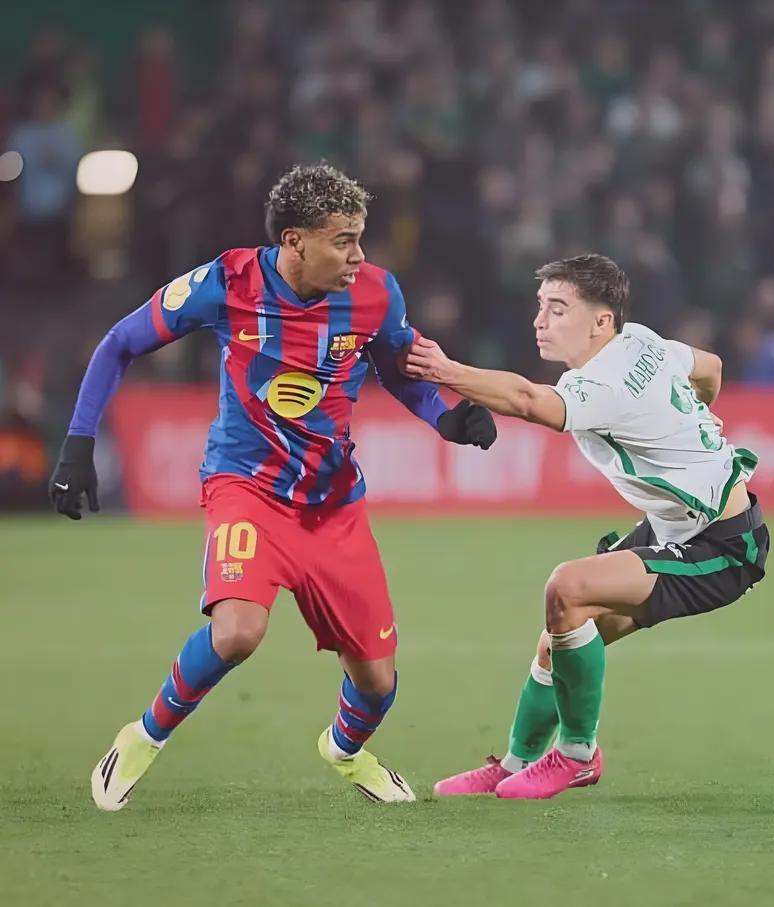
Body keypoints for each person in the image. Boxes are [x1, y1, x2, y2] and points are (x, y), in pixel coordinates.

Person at [49, 163, 497, 810]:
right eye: (343, 240)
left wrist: (446, 420)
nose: (358, 255)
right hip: (246, 488)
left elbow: (400, 372)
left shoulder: (376, 294)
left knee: (377, 682)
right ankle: (143, 736)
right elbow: (121, 342)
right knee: (237, 631)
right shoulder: (226, 283)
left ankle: (344, 749)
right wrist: (78, 442)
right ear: (295, 241)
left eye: (360, 238)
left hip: (333, 505)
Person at [406, 253, 768, 799]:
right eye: (540, 306)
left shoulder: (606, 385)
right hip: (675, 525)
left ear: (601, 321)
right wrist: (695, 431)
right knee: (561, 636)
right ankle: (515, 763)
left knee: (568, 588)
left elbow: (528, 400)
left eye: (558, 309)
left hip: (722, 545)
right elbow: (711, 367)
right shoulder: (640, 341)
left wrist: (445, 371)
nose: (540, 321)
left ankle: (577, 755)